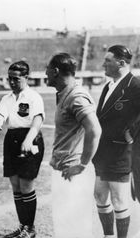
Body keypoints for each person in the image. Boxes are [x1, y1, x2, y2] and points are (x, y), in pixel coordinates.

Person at [45, 53, 101, 238]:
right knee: (64, 225)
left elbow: (95, 130)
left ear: (55, 71)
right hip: (64, 168)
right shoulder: (65, 94)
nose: (45, 73)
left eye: (47, 69)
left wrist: (82, 165)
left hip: (73, 171)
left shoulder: (76, 96)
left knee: (76, 228)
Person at [0, 61, 45, 238]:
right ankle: (23, 226)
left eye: (16, 78)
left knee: (26, 184)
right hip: (12, 140)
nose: (12, 82)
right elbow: (1, 113)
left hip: (30, 139)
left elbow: (38, 119)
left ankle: (30, 229)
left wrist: (29, 139)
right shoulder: (7, 98)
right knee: (15, 185)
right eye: (9, 79)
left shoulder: (33, 97)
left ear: (26, 78)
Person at [92, 45, 140, 238]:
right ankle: (108, 236)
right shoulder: (109, 85)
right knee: (99, 195)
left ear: (121, 63)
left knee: (119, 199)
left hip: (121, 153)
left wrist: (131, 133)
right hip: (103, 153)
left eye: (107, 60)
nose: (103, 64)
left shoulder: (134, 86)